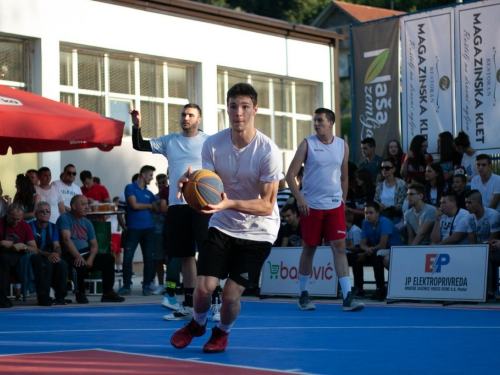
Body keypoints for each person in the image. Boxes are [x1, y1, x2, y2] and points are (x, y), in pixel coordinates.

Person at [170, 82, 283, 353]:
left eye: (245, 107)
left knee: (231, 294)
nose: (239, 113)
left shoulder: (268, 151)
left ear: (255, 110)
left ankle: (222, 333)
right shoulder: (213, 144)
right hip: (223, 225)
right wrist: (190, 186)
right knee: (203, 288)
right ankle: (197, 324)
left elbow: (267, 205)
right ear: (227, 109)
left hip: (258, 231)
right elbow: (208, 186)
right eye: (233, 106)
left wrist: (228, 203)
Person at [130, 103, 211, 319]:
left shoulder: (209, 142)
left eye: (191, 115)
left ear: (199, 119)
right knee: (185, 256)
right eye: (184, 114)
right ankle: (189, 305)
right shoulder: (170, 141)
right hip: (177, 205)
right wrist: (136, 127)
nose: (186, 118)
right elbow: (139, 145)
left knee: (207, 254)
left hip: (202, 204)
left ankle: (216, 302)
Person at [285, 107, 364, 312]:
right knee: (309, 249)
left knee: (339, 248)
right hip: (311, 206)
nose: (316, 123)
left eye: (320, 120)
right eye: (315, 120)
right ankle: (303, 294)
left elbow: (345, 177)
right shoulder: (307, 144)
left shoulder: (342, 146)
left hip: (334, 206)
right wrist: (300, 198)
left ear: (331, 123)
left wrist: (342, 201)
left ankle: (347, 296)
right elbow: (290, 175)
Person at [56, 195, 125, 304]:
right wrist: (78, 256)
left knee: (109, 258)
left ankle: (107, 293)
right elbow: (66, 239)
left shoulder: (87, 222)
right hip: (71, 254)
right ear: (74, 206)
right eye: (83, 204)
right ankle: (80, 293)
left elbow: (94, 245)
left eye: (87, 204)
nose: (87, 207)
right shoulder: (65, 218)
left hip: (87, 253)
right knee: (79, 263)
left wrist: (91, 259)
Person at [0, 203, 51, 308]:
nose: (16, 222)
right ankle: (1, 297)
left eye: (19, 219)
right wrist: (1, 242)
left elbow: (34, 249)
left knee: (36, 258)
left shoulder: (25, 226)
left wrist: (23, 246)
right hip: (4, 255)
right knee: (3, 259)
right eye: (13, 219)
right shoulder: (1, 223)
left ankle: (43, 296)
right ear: (7, 214)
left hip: (20, 256)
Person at [117, 165, 157, 296]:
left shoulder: (149, 193)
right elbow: (133, 205)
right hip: (133, 229)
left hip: (149, 230)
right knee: (128, 258)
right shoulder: (130, 187)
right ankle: (126, 285)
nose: (152, 178)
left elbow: (158, 208)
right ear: (143, 175)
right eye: (150, 175)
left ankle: (146, 285)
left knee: (148, 258)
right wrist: (150, 206)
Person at [358, 202, 403, 301]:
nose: (368, 215)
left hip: (394, 250)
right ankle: (358, 289)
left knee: (376, 255)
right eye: (366, 213)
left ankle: (380, 288)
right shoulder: (365, 222)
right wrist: (367, 250)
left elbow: (383, 244)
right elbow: (363, 244)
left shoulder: (385, 222)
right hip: (377, 249)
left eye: (371, 213)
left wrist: (367, 252)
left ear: (377, 213)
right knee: (355, 255)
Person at [29, 201, 68, 305]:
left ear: (50, 214)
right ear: (36, 214)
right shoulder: (29, 227)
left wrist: (56, 255)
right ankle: (44, 296)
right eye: (42, 211)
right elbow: (32, 248)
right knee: (46, 265)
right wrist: (48, 255)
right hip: (36, 256)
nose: (45, 213)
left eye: (48, 211)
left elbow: (57, 246)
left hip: (50, 254)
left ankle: (60, 296)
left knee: (62, 264)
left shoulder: (54, 227)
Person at [374, 158, 407, 223]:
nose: (384, 170)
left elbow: (402, 204)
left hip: (395, 215)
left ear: (393, 169)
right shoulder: (379, 185)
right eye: (382, 168)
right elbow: (375, 201)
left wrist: (388, 208)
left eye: (387, 168)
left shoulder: (401, 184)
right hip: (381, 213)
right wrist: (378, 205)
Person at [151, 173, 168, 295]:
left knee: (172, 259)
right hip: (157, 231)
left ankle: (173, 284)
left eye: (164, 182)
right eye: (160, 183)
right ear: (156, 184)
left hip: (170, 231)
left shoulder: (171, 195)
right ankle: (161, 284)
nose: (162, 185)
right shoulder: (154, 198)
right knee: (159, 259)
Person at [107, 197, 123, 275]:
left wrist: (119, 226)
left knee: (118, 251)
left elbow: (121, 218)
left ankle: (119, 267)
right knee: (112, 250)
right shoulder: (111, 208)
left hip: (117, 232)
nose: (117, 204)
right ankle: (114, 267)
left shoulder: (120, 210)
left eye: (118, 202)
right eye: (116, 202)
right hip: (111, 232)